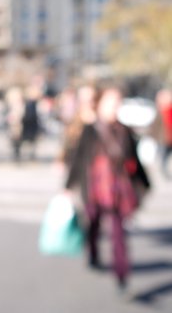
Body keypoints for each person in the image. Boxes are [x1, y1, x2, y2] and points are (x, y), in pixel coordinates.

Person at [65, 82, 150, 289]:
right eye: (110, 102)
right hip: (94, 189)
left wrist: (145, 184)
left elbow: (134, 160)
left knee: (118, 233)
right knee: (93, 224)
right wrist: (69, 185)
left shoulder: (124, 130)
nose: (114, 107)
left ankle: (122, 274)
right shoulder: (90, 130)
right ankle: (92, 252)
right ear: (100, 104)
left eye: (117, 102)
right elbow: (78, 158)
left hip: (118, 189)